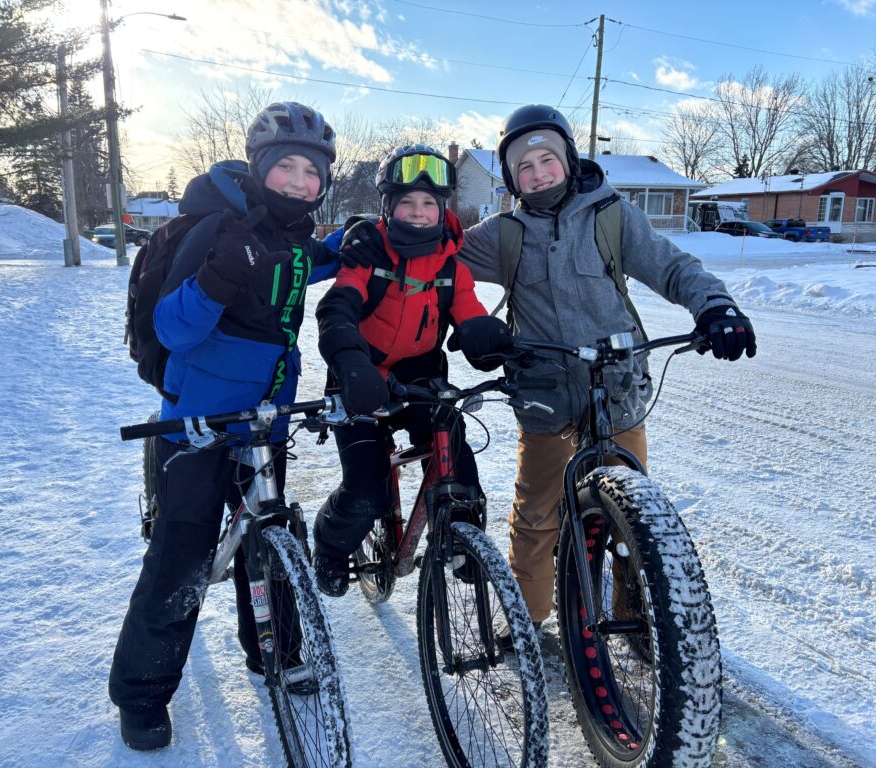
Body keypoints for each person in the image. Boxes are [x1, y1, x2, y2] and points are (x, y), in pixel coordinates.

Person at [339, 105, 756, 644]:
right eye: (524, 167)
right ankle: (528, 619)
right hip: (544, 391)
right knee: (537, 513)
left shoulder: (613, 216)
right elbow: (430, 249)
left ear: (568, 159)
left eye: (547, 160)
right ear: (512, 178)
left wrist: (716, 307)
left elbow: (672, 267)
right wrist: (369, 235)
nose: (538, 174)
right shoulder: (503, 234)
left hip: (617, 386)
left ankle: (638, 619)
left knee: (633, 516)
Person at [109, 102, 341, 751]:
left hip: (263, 421)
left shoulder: (291, 237)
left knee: (269, 536)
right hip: (197, 424)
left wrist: (357, 245)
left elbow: (308, 265)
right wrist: (218, 275)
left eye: (312, 173)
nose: (300, 182)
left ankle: (274, 653)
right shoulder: (220, 229)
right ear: (261, 167)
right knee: (181, 557)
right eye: (287, 167)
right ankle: (142, 693)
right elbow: (173, 329)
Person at [310, 144, 513, 597]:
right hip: (360, 376)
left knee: (457, 464)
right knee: (367, 492)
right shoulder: (367, 252)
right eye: (407, 202)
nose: (419, 212)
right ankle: (329, 546)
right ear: (388, 206)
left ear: (443, 209)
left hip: (421, 378)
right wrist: (349, 362)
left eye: (428, 203)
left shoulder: (451, 264)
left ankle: (462, 539)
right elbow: (337, 308)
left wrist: (486, 338)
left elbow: (468, 309)